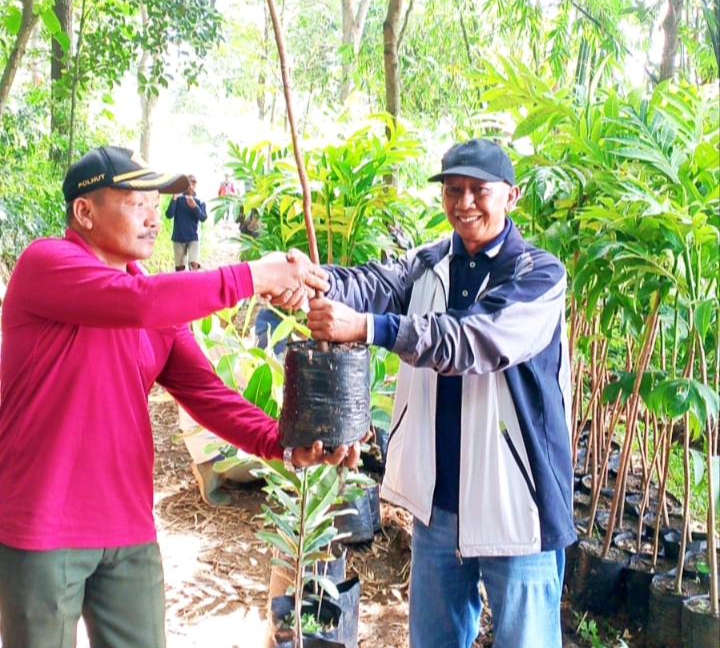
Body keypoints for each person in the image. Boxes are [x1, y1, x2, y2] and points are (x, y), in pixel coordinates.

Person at [0, 145, 356, 648]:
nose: (153, 217)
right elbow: (138, 305)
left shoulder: (150, 298)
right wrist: (255, 275)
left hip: (127, 525)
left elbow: (206, 392)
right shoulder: (47, 264)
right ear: (84, 211)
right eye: (136, 203)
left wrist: (284, 443)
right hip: (43, 524)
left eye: (154, 203)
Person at [292, 138, 575, 648]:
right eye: (453, 190)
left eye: (478, 190)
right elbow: (370, 284)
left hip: (518, 506)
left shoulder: (539, 275)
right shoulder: (427, 263)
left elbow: (474, 339)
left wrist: (370, 327)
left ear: (510, 195)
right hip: (438, 506)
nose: (464, 203)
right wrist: (308, 279)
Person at [166, 174, 207, 270]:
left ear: (196, 185)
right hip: (179, 237)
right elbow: (169, 214)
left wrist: (195, 207)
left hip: (194, 236)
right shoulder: (178, 199)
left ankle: (194, 280)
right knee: (180, 268)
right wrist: (173, 199)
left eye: (193, 183)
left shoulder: (199, 201)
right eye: (189, 183)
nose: (191, 186)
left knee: (194, 264)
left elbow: (203, 218)